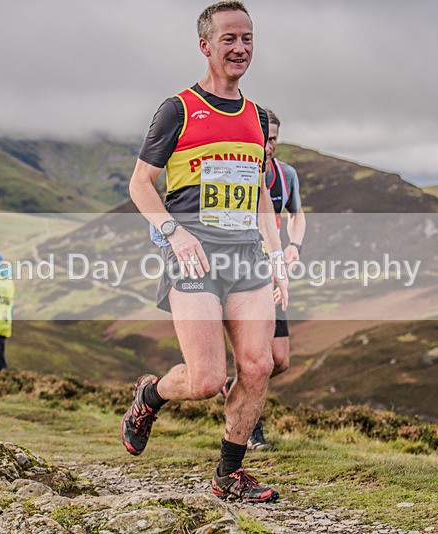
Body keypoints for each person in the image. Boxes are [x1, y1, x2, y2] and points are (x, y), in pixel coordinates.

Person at [122, 1, 287, 504]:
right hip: (192, 256)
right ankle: (149, 396)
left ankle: (229, 473)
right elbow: (140, 185)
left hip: (246, 256)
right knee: (205, 378)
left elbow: (259, 194)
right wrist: (175, 232)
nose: (240, 48)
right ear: (206, 46)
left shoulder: (258, 118)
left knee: (258, 366)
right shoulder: (177, 109)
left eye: (248, 39)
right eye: (229, 39)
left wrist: (276, 255)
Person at [221, 107, 306, 450]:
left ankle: (236, 392)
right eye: (263, 138)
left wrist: (294, 246)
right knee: (256, 362)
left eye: (273, 140)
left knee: (280, 361)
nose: (267, 146)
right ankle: (248, 430)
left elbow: (297, 215)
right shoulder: (235, 172)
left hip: (271, 272)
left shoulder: (286, 175)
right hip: (239, 273)